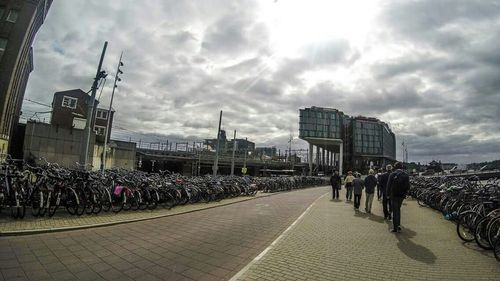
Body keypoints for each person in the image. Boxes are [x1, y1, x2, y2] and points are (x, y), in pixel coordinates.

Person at [387, 162, 410, 233]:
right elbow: (408, 186)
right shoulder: (406, 175)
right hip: (401, 195)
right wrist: (405, 194)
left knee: (395, 210)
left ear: (395, 167)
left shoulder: (392, 174)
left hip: (394, 195)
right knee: (398, 209)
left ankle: (395, 227)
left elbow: (388, 185)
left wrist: (388, 194)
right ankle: (399, 225)